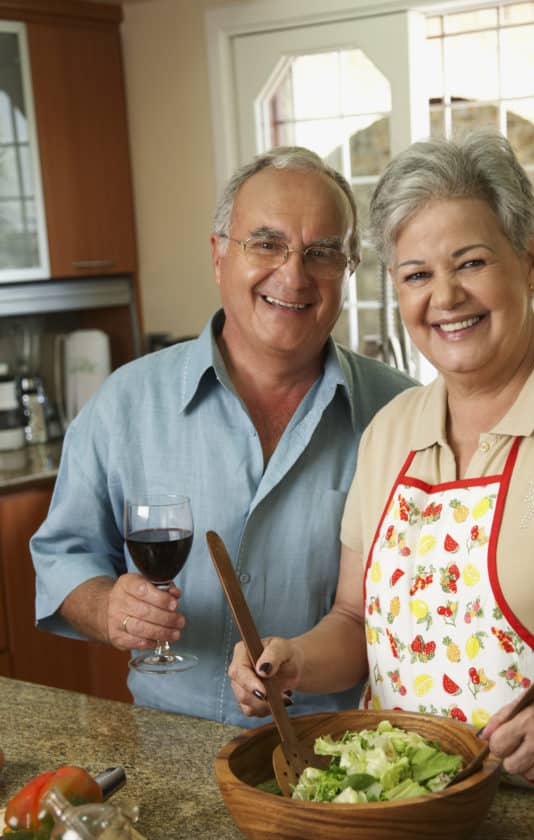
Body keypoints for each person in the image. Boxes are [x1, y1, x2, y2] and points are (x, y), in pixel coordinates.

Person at [230, 131, 534, 819]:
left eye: (469, 262)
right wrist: (291, 660)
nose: (444, 296)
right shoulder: (390, 433)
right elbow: (354, 622)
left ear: (529, 259)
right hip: (412, 821)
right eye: (415, 274)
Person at [30, 147, 415, 725]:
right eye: (266, 243)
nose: (293, 274)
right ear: (218, 255)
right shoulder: (127, 402)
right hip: (167, 742)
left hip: (337, 754)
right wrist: (108, 606)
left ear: (349, 268)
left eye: (322, 253)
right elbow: (63, 556)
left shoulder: (401, 414)